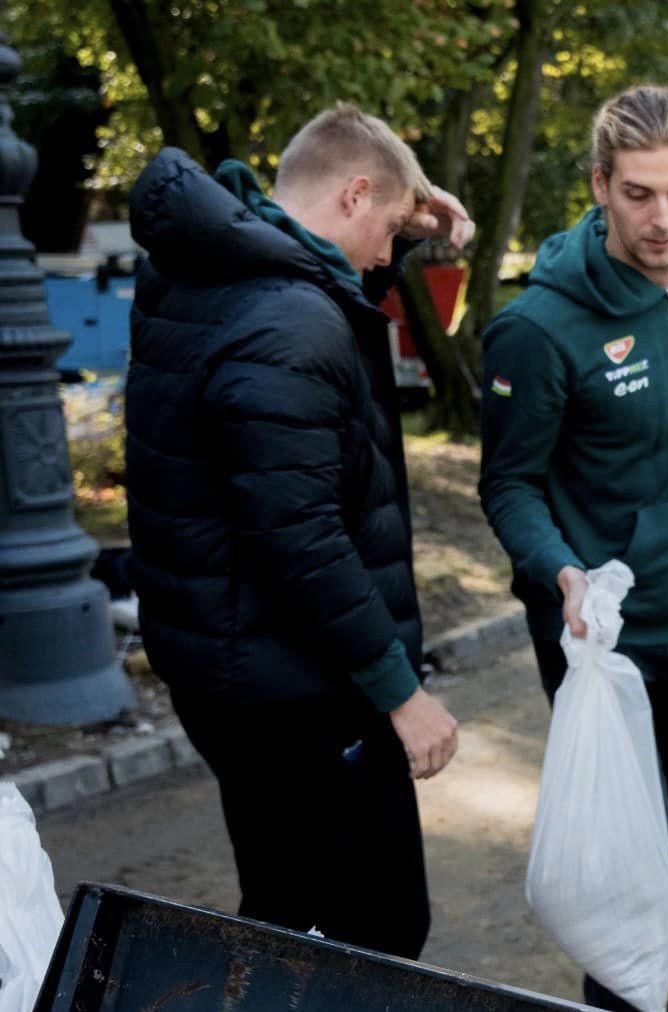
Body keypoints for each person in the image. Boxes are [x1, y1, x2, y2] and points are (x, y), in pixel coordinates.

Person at [125, 104, 473, 958]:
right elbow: (301, 537)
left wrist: (419, 226)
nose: (391, 254)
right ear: (354, 194)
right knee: (372, 933)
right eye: (390, 228)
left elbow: (330, 292)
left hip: (228, 670)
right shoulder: (290, 322)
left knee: (291, 911)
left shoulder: (207, 270)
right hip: (297, 691)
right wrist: (403, 694)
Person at [478, 84, 668, 1012]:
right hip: (611, 647)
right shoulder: (539, 326)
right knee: (635, 875)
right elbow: (508, 486)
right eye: (639, 193)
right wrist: (560, 571)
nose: (663, 218)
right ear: (600, 184)